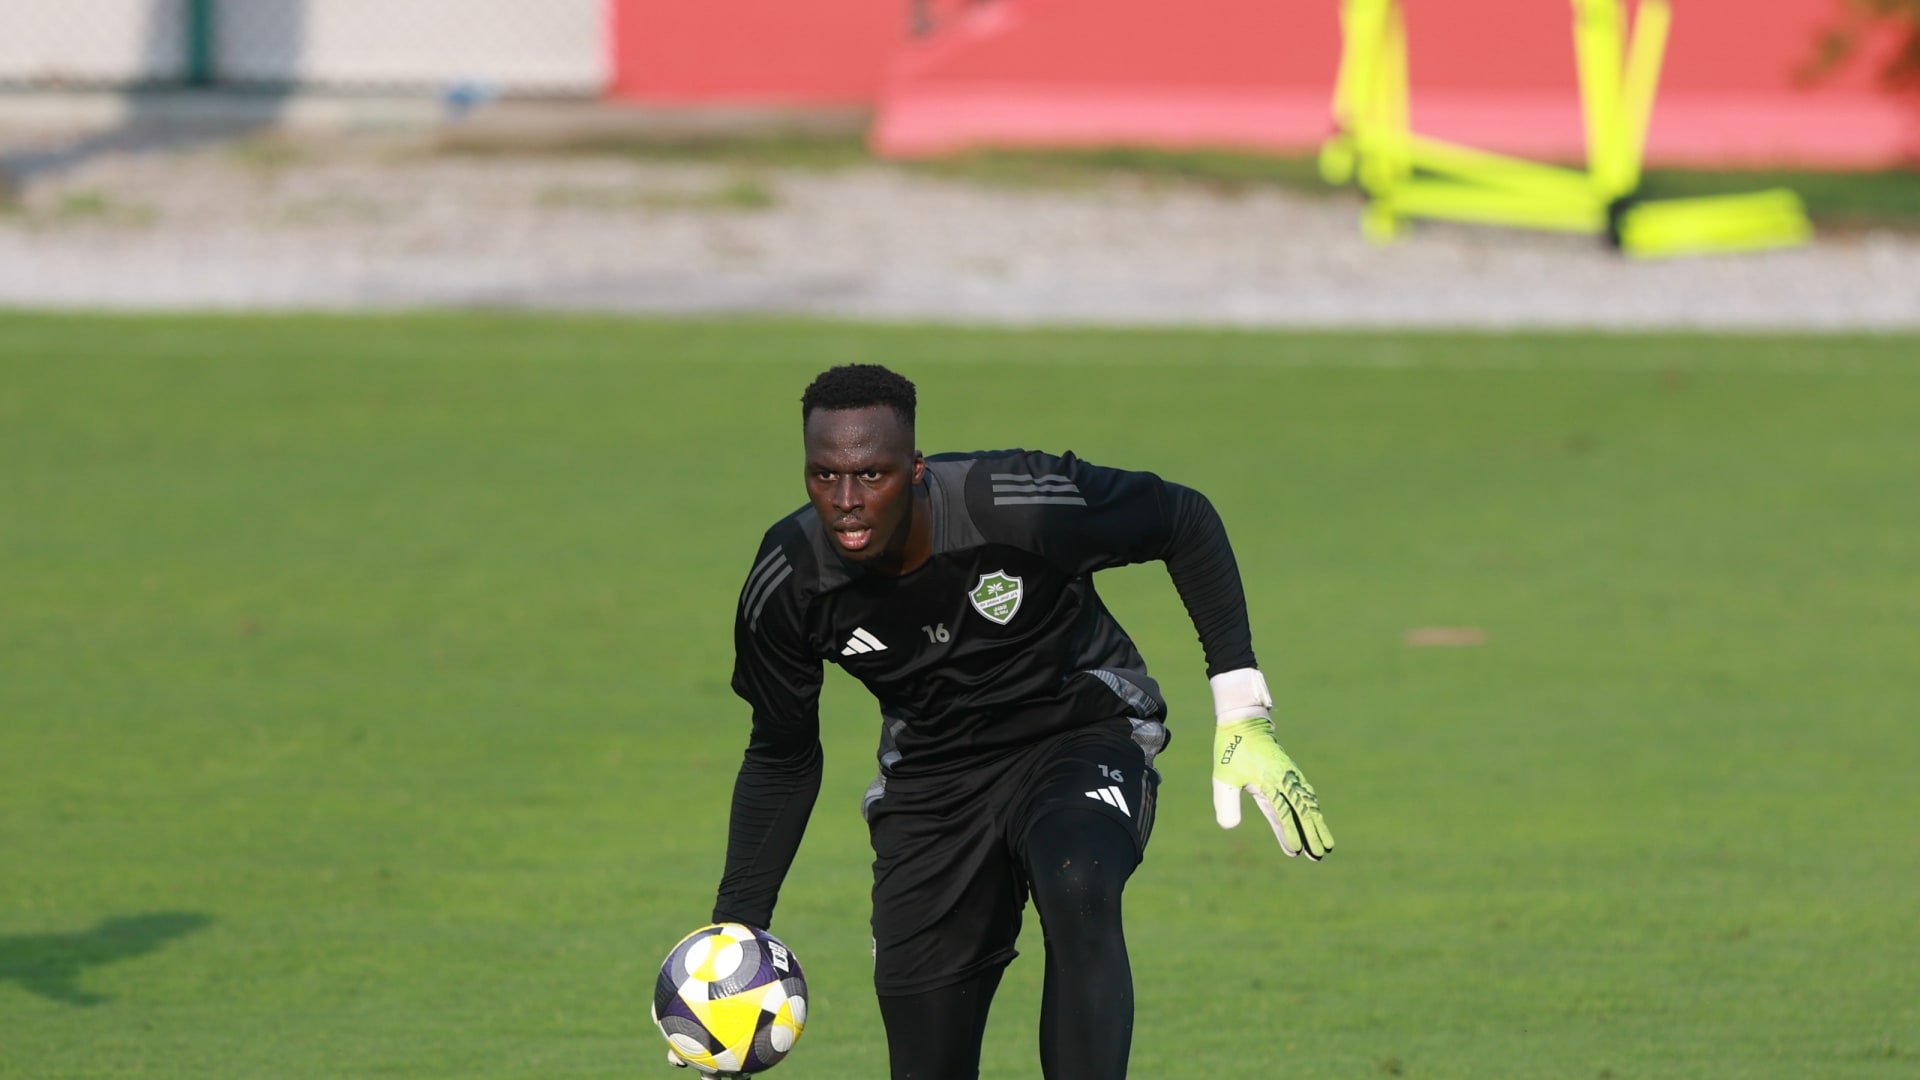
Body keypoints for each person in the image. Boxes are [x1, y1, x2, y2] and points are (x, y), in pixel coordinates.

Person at [699, 364, 1333, 1080]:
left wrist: (1242, 712)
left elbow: (1182, 519)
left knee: (1077, 877)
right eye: (825, 476)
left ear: (914, 471)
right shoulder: (791, 583)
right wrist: (731, 948)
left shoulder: (1015, 505)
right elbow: (782, 755)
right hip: (934, 780)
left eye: (871, 475)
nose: (846, 502)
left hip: (1078, 730)